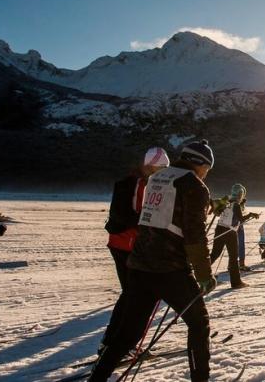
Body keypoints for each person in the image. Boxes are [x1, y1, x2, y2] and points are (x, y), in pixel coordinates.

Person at [90, 140, 216, 382]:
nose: (206, 174)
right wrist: (204, 275)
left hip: (138, 267)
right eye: (207, 169)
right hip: (170, 270)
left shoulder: (157, 178)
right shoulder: (195, 186)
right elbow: (195, 237)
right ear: (200, 164)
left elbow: (166, 215)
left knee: (128, 333)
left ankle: (97, 378)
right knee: (199, 324)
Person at [99, 147, 169, 354]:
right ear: (149, 166)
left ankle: (113, 343)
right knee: (137, 296)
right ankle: (115, 344)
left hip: (122, 244)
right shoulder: (140, 184)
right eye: (160, 169)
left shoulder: (136, 181)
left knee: (132, 294)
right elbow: (138, 215)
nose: (162, 174)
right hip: (128, 245)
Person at [213, 184, 259, 288]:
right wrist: (251, 214)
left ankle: (202, 275)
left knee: (214, 254)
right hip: (229, 231)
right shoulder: (236, 205)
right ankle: (236, 282)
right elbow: (241, 219)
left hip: (219, 228)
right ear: (240, 194)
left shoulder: (226, 201)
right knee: (233, 257)